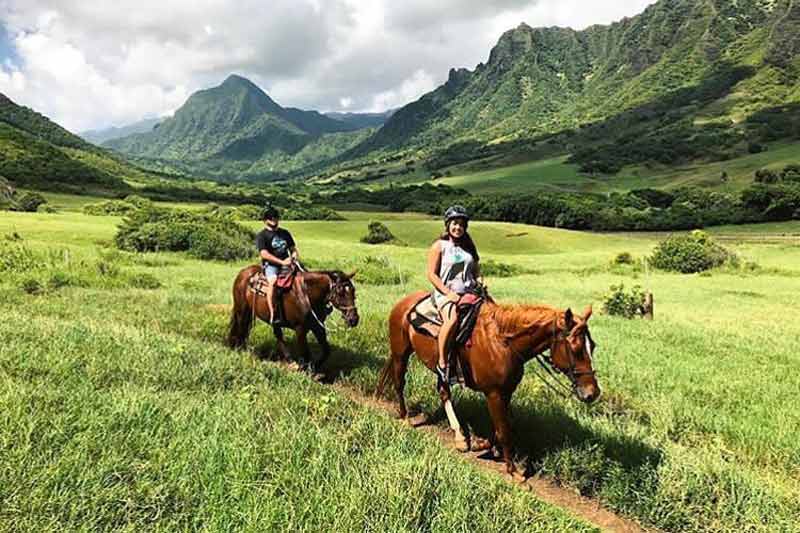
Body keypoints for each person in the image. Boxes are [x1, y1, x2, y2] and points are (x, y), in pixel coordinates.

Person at [427, 205, 482, 392]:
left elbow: (476, 272)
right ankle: (442, 364)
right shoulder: (439, 246)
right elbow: (432, 274)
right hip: (446, 293)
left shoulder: (468, 249)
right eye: (454, 224)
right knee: (452, 320)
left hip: (469, 292)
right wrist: (447, 293)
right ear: (448, 225)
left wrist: (481, 282)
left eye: (461, 225)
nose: (458, 227)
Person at [256, 206, 299, 324]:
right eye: (271, 219)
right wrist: (281, 262)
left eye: (276, 218)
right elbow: (264, 254)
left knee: (305, 278)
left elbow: (292, 248)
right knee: (273, 282)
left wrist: (294, 256)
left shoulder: (285, 233)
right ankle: (273, 312)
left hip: (288, 263)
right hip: (271, 265)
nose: (274, 221)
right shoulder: (262, 236)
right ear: (265, 221)